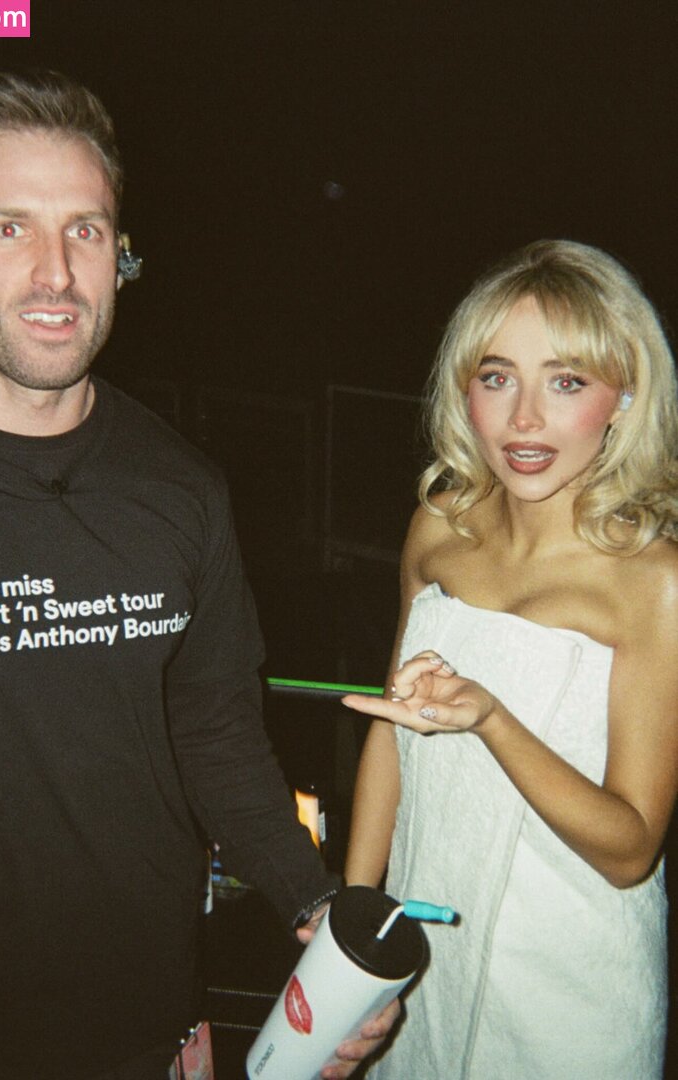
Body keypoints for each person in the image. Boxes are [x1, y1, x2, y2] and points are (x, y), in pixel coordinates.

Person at [0, 70, 395, 1079]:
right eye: (10, 228)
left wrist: (315, 905)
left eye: (87, 230)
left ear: (122, 256)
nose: (57, 273)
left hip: (141, 1036)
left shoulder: (182, 488)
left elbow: (214, 728)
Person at [342, 239, 678, 1078]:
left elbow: (631, 848)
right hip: (423, 957)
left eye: (566, 382)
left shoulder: (655, 582)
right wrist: (353, 922)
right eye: (496, 378)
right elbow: (393, 733)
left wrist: (491, 717)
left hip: (568, 988)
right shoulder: (439, 526)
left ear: (625, 397)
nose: (524, 419)